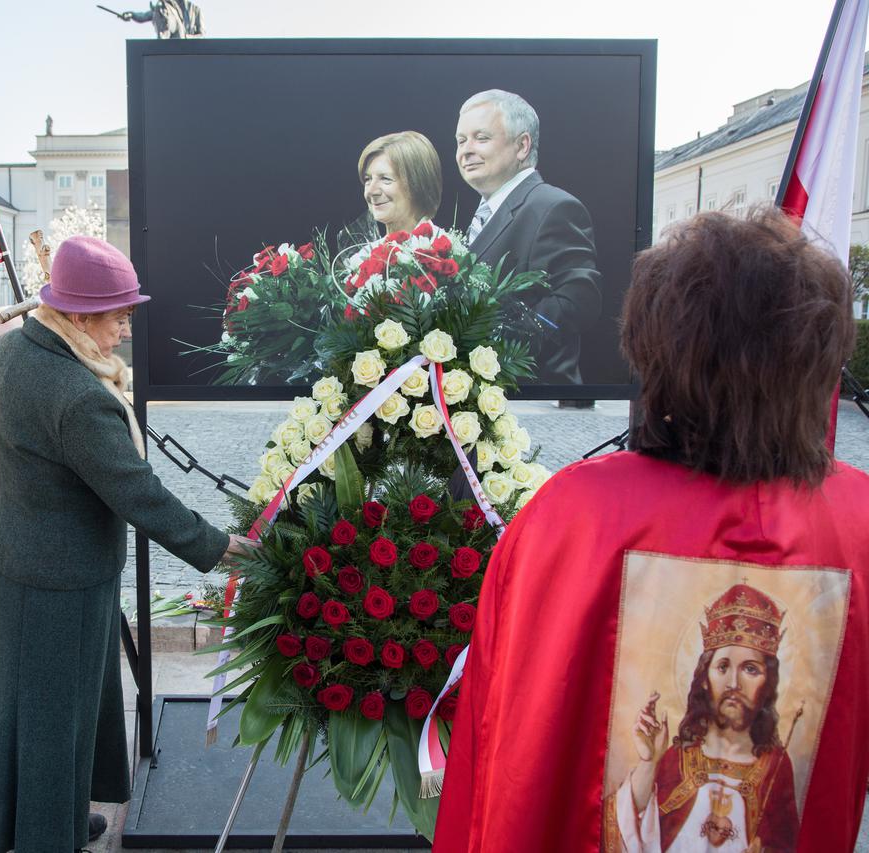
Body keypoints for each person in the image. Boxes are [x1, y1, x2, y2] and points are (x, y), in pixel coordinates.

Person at [434, 208, 869, 852]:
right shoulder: (858, 524)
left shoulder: (571, 517)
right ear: (816, 362)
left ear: (659, 349)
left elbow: (498, 734)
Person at [0, 235, 253, 853]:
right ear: (77, 315)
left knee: (14, 702)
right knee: (54, 715)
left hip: (14, 560)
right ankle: (48, 837)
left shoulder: (9, 352)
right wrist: (218, 545)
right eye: (118, 316)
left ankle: (7, 824)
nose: (125, 330)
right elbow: (138, 494)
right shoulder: (76, 395)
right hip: (61, 579)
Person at [605, 582, 798, 850]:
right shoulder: (677, 758)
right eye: (722, 666)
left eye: (750, 669)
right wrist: (649, 763)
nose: (733, 683)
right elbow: (619, 829)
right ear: (705, 678)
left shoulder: (775, 767)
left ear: (767, 683)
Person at [454, 89, 602, 385]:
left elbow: (580, 298)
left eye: (481, 138)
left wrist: (503, 342)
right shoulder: (485, 211)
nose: (466, 150)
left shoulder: (552, 206)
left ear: (522, 146)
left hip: (536, 402)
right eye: (460, 141)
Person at [358, 130, 443, 239]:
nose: (371, 191)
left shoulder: (455, 253)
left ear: (417, 183)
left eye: (385, 178)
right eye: (367, 179)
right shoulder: (363, 255)